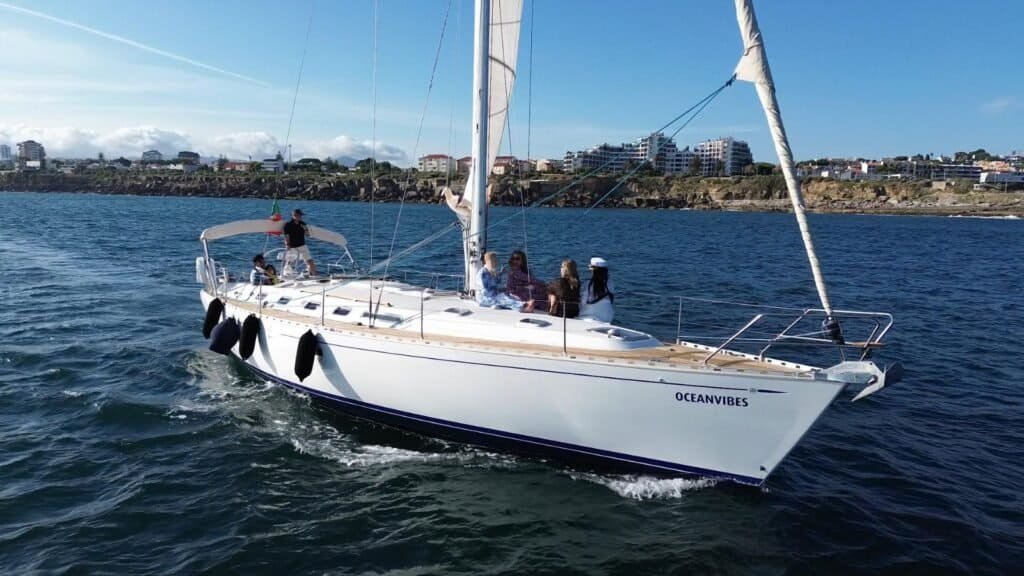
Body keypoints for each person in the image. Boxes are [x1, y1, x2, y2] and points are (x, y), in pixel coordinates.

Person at [283, 208, 318, 277]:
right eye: (298, 216)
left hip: (302, 245)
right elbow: (286, 236)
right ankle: (286, 275)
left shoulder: (303, 224)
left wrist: (305, 229)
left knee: (310, 261)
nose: (300, 217)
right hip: (293, 246)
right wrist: (287, 244)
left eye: (300, 216)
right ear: (294, 216)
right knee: (290, 262)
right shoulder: (288, 225)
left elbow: (307, 235)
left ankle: (314, 275)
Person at [579, 257, 615, 322]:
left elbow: (583, 302)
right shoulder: (610, 284)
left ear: (593, 271)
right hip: (607, 317)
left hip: (589, 316)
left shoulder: (588, 284)